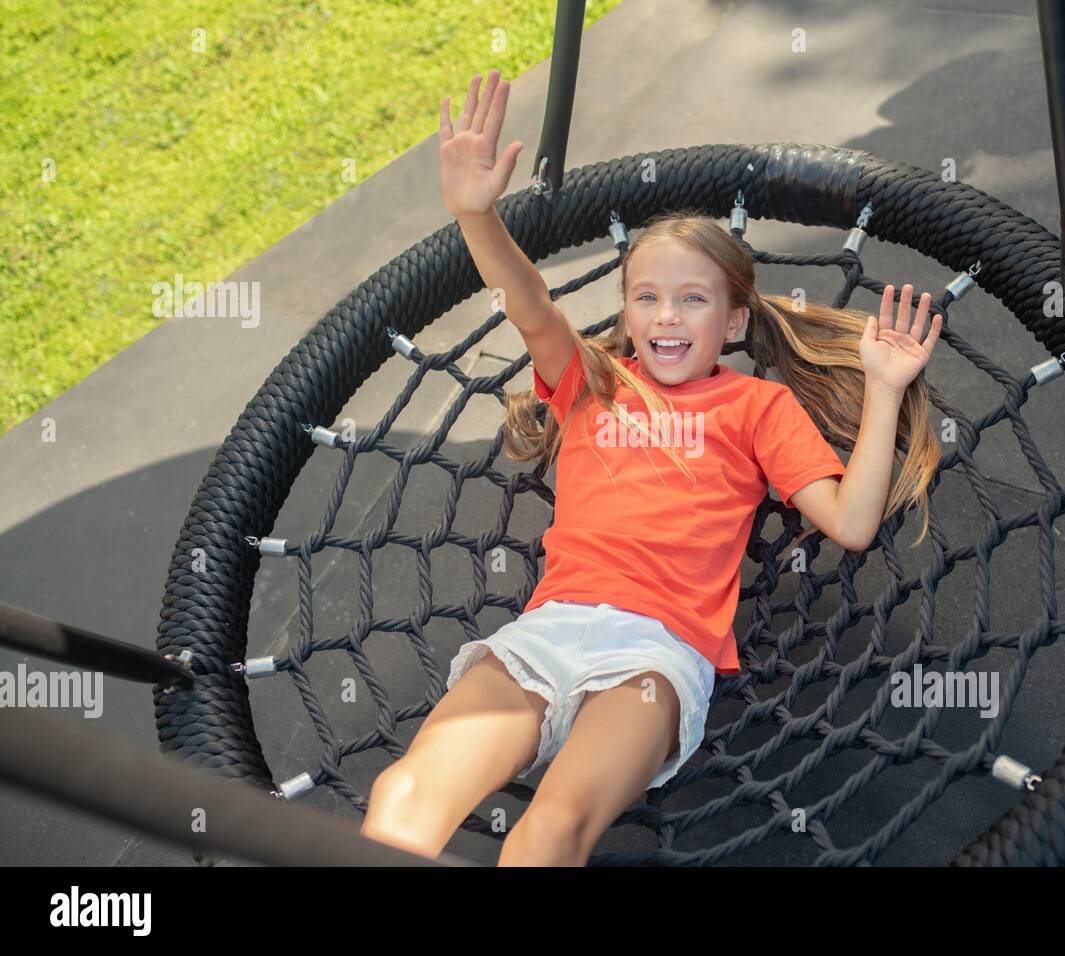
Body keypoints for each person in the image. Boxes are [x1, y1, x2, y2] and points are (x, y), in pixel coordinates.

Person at [361, 70, 943, 866]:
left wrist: (882, 389)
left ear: (734, 318)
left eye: (693, 301)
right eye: (647, 298)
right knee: (402, 793)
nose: (666, 317)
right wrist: (475, 212)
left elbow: (851, 521)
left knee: (551, 830)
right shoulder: (591, 381)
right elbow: (526, 298)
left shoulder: (756, 409)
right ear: (627, 311)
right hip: (548, 631)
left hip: (654, 656)